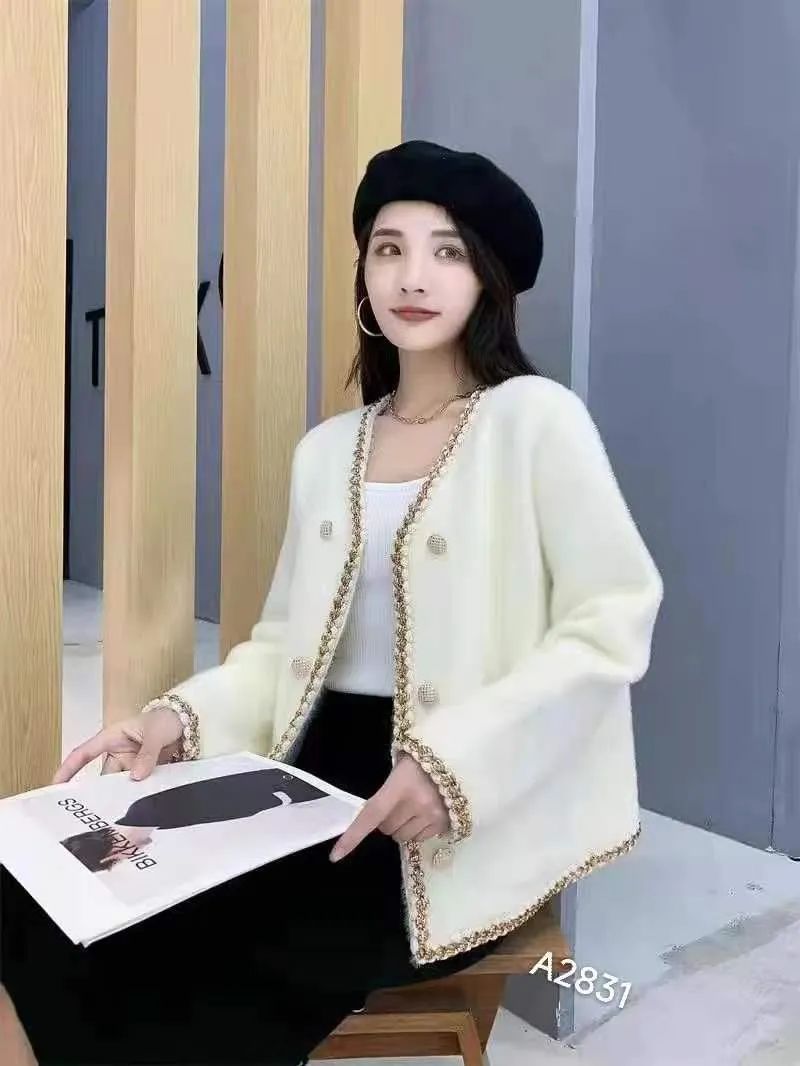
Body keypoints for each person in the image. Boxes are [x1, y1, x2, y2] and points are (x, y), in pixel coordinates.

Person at [1, 140, 664, 1065]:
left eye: (447, 251)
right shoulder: (327, 451)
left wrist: (454, 767)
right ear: (364, 276)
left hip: (444, 810)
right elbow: (283, 648)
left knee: (195, 954)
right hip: (301, 775)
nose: (412, 276)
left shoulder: (535, 421)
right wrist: (178, 719)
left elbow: (610, 621)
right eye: (389, 249)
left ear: (488, 279)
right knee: (37, 896)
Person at [59, 768, 330, 874]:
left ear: (110, 856)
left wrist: (283, 794)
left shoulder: (150, 812)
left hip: (294, 788)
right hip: (289, 794)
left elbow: (233, 790)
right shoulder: (151, 818)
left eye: (116, 864)